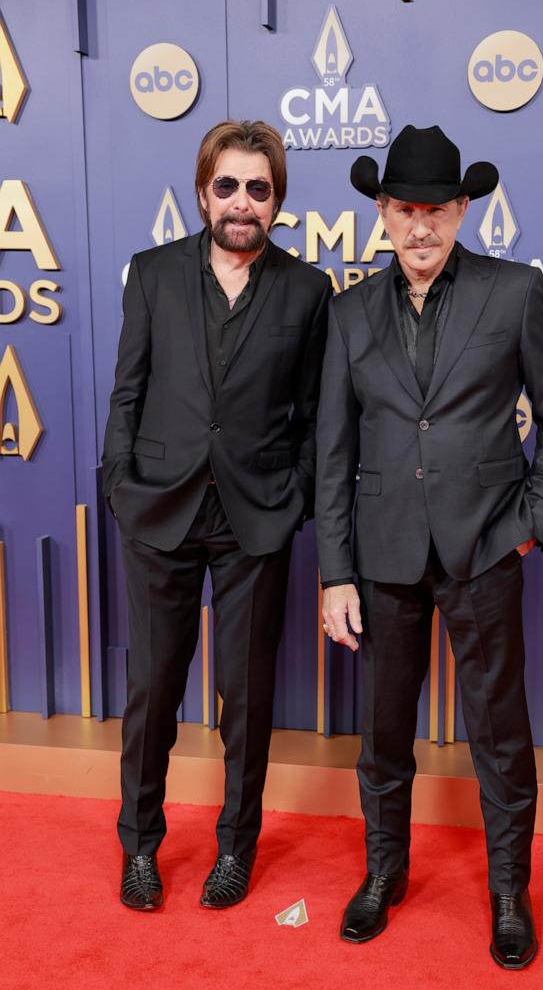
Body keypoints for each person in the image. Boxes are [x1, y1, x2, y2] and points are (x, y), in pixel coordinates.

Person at [315, 125, 543, 968]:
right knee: (382, 731)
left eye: (435, 209)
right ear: (382, 213)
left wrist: (529, 525)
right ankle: (383, 873)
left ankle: (509, 890)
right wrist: (334, 573)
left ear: (463, 210)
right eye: (403, 210)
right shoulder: (349, 310)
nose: (419, 227)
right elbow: (332, 450)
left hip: (484, 549)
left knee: (499, 732)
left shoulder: (511, 294)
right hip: (382, 555)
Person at [102, 119, 332, 912]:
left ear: (277, 201)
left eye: (258, 189)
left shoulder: (308, 291)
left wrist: (293, 495)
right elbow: (128, 390)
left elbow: (312, 414)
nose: (241, 202)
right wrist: (120, 487)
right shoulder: (153, 274)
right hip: (158, 511)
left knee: (246, 695)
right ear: (203, 192)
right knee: (153, 690)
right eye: (227, 186)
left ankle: (235, 847)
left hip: (254, 519)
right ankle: (140, 847)